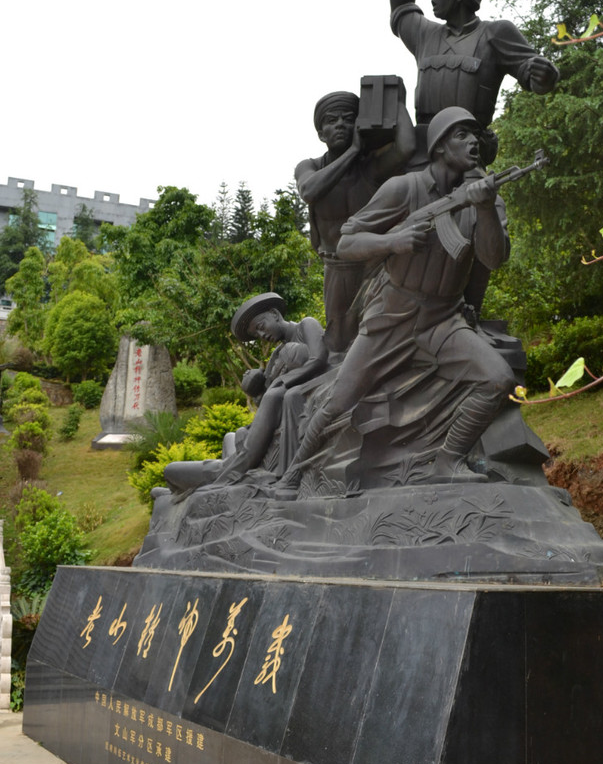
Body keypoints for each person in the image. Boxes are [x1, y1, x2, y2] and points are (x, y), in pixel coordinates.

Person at [279, 106, 515, 490]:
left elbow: (494, 258)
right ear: (439, 146)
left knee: (497, 378)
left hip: (444, 320)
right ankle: (290, 477)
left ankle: (448, 462)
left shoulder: (485, 196)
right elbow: (347, 240)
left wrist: (486, 208)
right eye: (461, 135)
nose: (473, 141)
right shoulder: (403, 188)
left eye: (475, 135)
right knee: (339, 401)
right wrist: (393, 241)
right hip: (393, 315)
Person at [389, 0, 559, 166]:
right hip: (422, 156)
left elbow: (533, 76)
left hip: (468, 156)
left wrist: (544, 76)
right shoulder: (424, 35)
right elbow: (401, 5)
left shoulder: (495, 33)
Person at [295, 88, 415, 352]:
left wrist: (394, 100)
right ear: (320, 133)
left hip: (375, 264)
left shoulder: (370, 168)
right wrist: (353, 151)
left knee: (379, 333)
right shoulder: (310, 167)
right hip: (337, 266)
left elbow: (406, 147)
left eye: (348, 118)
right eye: (331, 120)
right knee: (339, 339)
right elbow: (309, 191)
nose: (340, 124)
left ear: (358, 125)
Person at [210, 292, 328, 484]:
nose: (262, 335)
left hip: (308, 396)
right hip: (276, 414)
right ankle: (221, 479)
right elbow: (265, 400)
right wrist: (254, 387)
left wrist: (282, 382)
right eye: (257, 335)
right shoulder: (276, 355)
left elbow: (318, 358)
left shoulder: (306, 325)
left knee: (281, 396)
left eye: (261, 327)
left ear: (274, 313)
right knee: (233, 437)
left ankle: (221, 478)